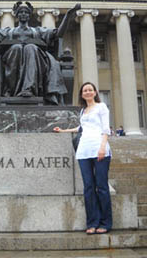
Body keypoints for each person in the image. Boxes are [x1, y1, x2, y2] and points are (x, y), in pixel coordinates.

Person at [0, 0, 80, 105]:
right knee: (17, 48)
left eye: (26, 12)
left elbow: (58, 34)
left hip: (37, 59)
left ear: (29, 15)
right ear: (17, 15)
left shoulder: (37, 31)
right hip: (11, 58)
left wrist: (68, 15)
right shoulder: (8, 32)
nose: (23, 14)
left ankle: (29, 89)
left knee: (31, 48)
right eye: (21, 12)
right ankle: (10, 91)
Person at [53, 81, 112, 235]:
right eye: (84, 90)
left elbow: (105, 128)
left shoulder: (101, 107)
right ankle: (92, 223)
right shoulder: (83, 111)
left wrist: (102, 147)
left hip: (99, 149)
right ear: (81, 94)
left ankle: (105, 222)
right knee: (88, 188)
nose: (87, 92)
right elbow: (82, 128)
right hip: (83, 151)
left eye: (90, 90)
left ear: (94, 92)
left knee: (102, 187)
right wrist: (63, 130)